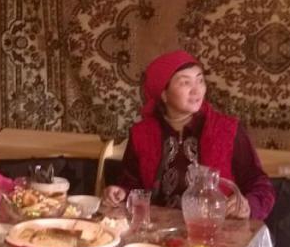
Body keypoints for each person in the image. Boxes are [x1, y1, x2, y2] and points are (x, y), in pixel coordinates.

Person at [103, 50, 276, 220]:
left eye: (200, 81)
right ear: (164, 94)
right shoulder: (142, 134)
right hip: (156, 231)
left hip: (215, 229)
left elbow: (260, 184)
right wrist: (121, 193)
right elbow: (131, 184)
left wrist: (249, 205)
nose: (196, 90)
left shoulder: (227, 130)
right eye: (185, 83)